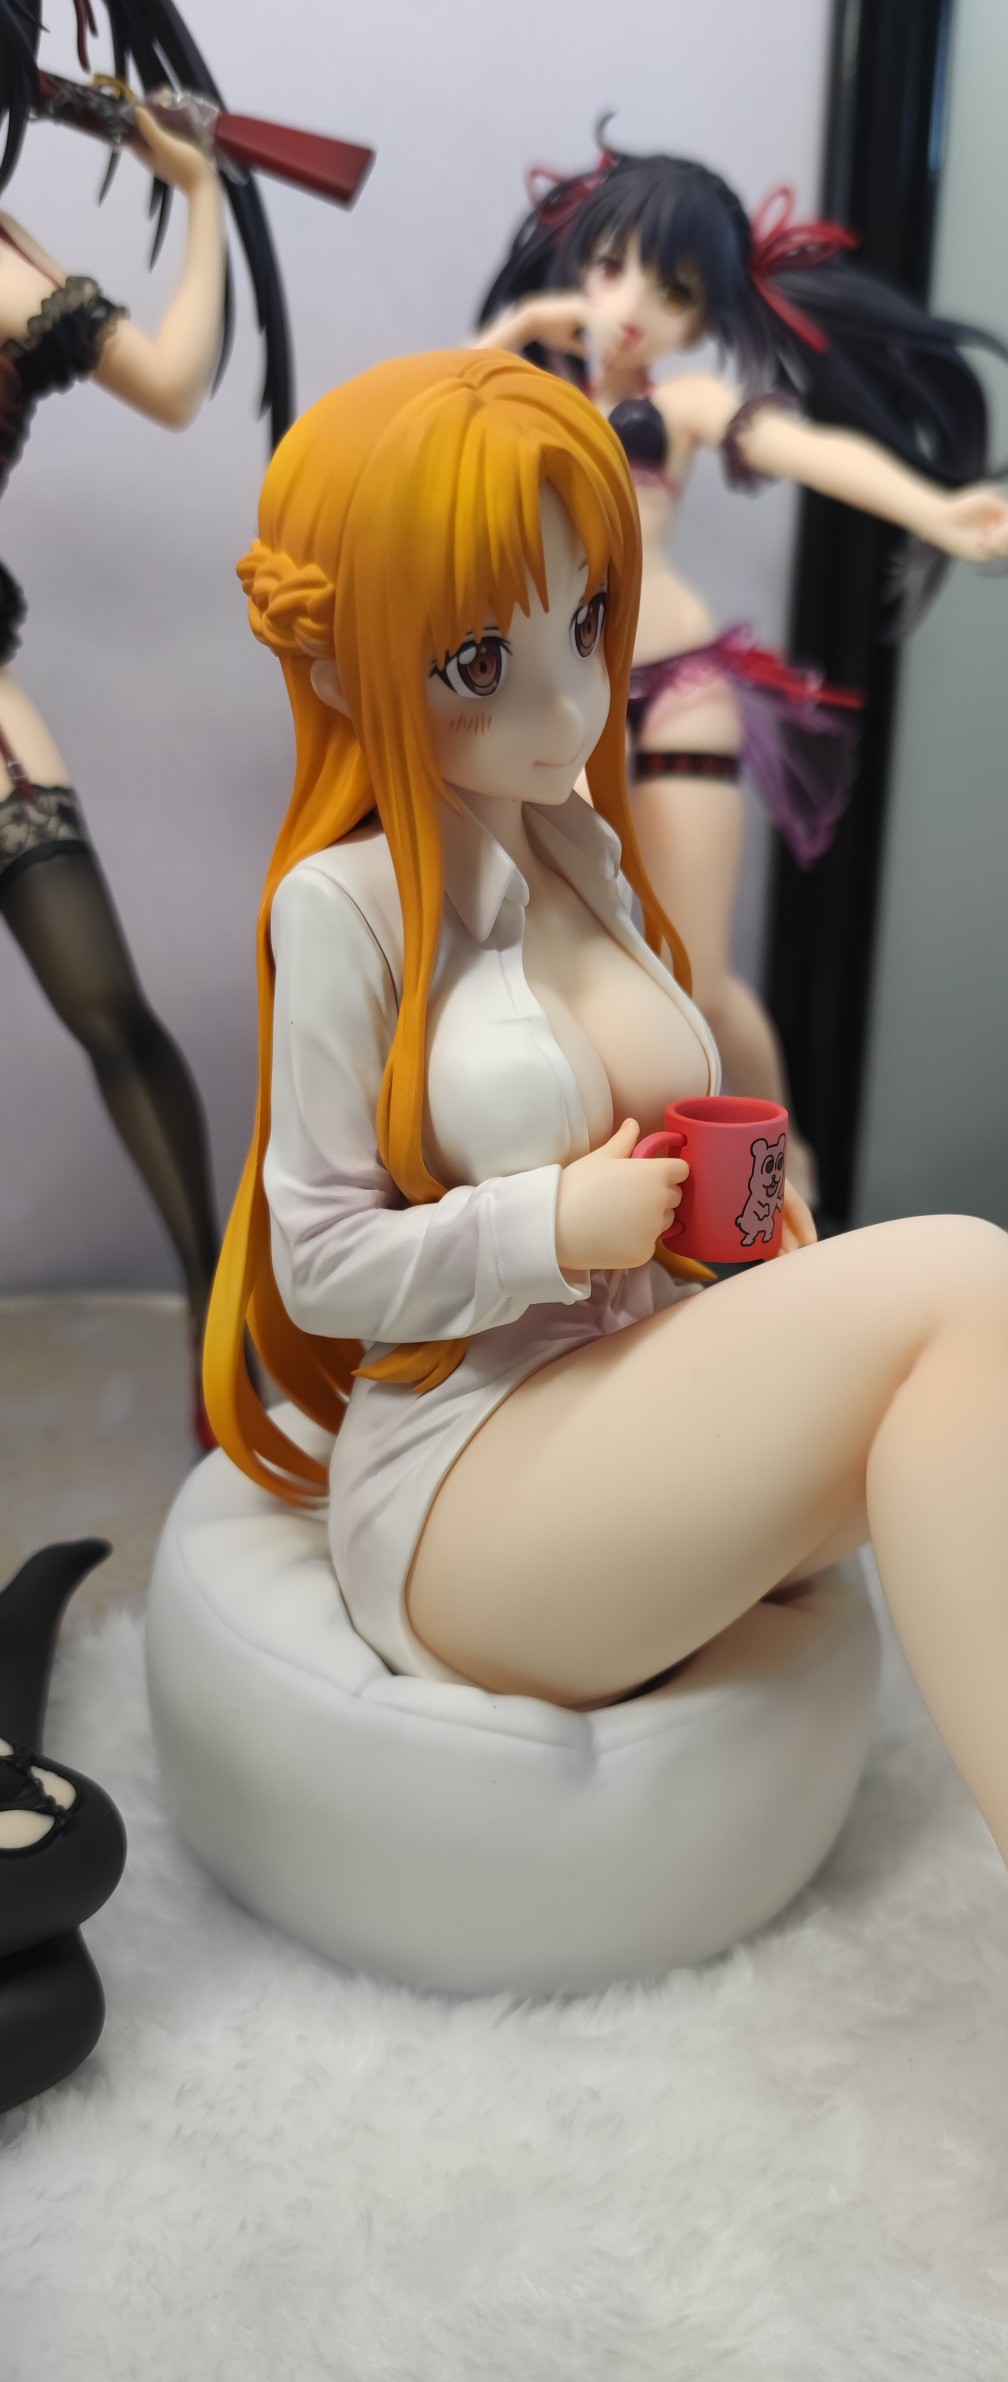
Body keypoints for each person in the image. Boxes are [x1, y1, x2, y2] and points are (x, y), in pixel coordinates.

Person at [207, 349, 1008, 2311]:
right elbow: (319, 1261)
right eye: (484, 663)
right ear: (343, 661)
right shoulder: (347, 908)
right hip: (469, 1490)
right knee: (966, 1286)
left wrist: (747, 1245)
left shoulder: (582, 847)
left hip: (629, 1398)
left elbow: (672, 1133)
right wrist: (545, 1225)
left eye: (588, 624)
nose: (571, 704)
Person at [476, 139, 1008, 1196]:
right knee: (558, 954)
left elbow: (811, 453)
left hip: (680, 689)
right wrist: (513, 335)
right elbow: (422, 445)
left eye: (676, 292)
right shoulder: (511, 400)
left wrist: (935, 508)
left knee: (696, 974)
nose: (633, 306)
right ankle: (606, 1183)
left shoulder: (684, 406)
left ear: (709, 314)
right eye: (610, 267)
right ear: (575, 266)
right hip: (562, 702)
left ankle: (786, 1174)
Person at [0, 0, 291, 1439]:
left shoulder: (3, 265)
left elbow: (173, 385)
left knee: (107, 1009)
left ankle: (216, 1326)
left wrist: (201, 198)